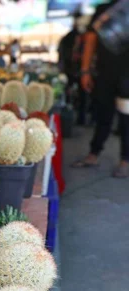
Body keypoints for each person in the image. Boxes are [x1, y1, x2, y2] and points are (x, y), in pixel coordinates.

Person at [73, 0, 129, 178]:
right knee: (102, 114)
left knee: (126, 119)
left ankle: (125, 161)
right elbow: (90, 39)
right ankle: (94, 154)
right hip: (105, 74)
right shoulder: (104, 9)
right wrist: (85, 70)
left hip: (127, 77)